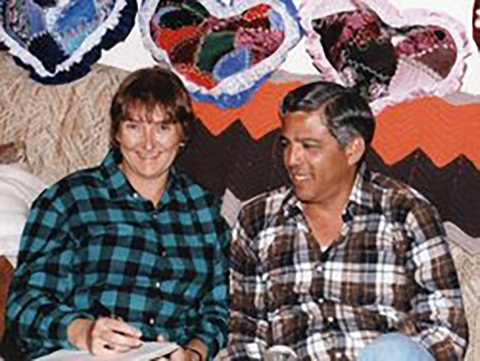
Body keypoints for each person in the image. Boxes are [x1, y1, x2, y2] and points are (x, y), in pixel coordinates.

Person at [217, 81, 468, 360]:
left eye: (309, 146)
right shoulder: (257, 219)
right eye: (286, 144)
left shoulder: (405, 212)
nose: (291, 159)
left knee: (393, 350)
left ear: (352, 150)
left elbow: (446, 332)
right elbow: (244, 334)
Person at [5, 67, 230, 361]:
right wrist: (83, 332)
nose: (148, 144)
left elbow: (218, 311)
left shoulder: (205, 214)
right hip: (81, 354)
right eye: (134, 126)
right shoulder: (69, 199)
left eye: (163, 127)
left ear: (182, 135)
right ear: (117, 133)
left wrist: (193, 354)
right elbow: (24, 304)